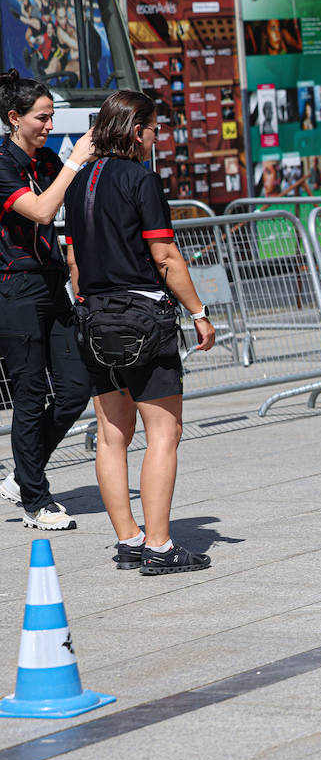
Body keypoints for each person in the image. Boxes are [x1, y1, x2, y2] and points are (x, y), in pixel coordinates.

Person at [63, 90, 217, 573]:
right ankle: (159, 545)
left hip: (94, 317)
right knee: (163, 432)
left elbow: (73, 260)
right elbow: (166, 256)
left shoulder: (78, 181)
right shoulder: (141, 179)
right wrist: (199, 312)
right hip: (143, 317)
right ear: (136, 131)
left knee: (111, 434)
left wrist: (90, 304)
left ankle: (129, 540)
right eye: (155, 129)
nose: (157, 138)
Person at [0, 69, 95, 530]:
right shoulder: (2, 164)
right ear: (14, 118)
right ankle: (36, 501)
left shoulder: (47, 162)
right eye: (42, 118)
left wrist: (75, 263)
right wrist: (74, 161)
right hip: (14, 289)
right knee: (31, 395)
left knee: (77, 387)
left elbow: (71, 204)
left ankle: (24, 473)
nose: (50, 126)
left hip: (53, 284)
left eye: (52, 117)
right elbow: (40, 209)